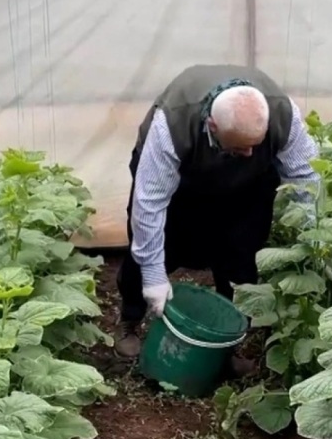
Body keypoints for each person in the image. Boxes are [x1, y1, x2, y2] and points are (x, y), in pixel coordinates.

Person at [114, 64, 321, 374]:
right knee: (152, 252)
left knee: (242, 260)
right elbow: (151, 202)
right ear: (211, 126)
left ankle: (226, 346)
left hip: (246, 188)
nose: (250, 152)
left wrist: (309, 236)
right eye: (241, 147)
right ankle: (129, 320)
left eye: (256, 144)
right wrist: (155, 276)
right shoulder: (172, 124)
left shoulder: (281, 114)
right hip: (181, 183)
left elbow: (306, 176)